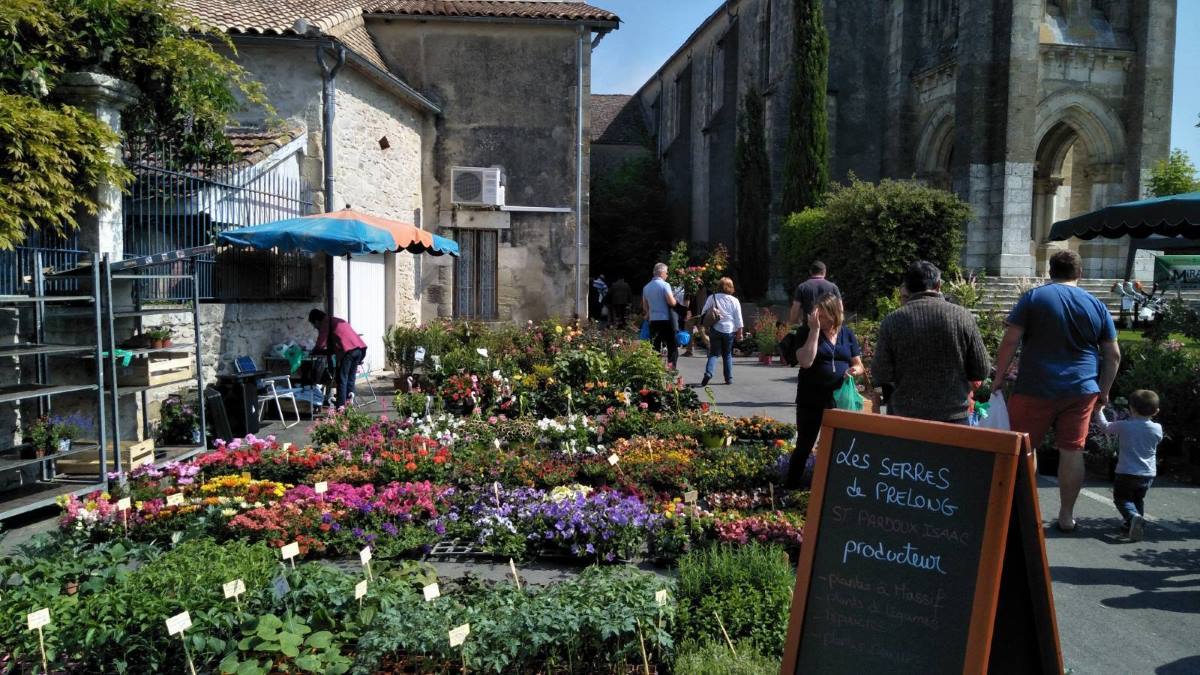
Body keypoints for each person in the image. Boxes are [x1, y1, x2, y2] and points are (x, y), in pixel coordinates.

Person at [993, 250, 1121, 533]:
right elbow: (1112, 355)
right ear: (1080, 273)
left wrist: (998, 378)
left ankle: (1026, 511)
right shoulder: (1096, 305)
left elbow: (1010, 341)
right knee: (1072, 449)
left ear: (1050, 272)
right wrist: (1104, 391)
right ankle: (1066, 516)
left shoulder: (1034, 298)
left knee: (1026, 447)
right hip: (1081, 387)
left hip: (1035, 385)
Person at [871, 261, 990, 423]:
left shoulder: (892, 321)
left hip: (906, 416)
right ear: (938, 285)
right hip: (953, 416)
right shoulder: (963, 317)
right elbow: (982, 370)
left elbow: (880, 373)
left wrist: (882, 403)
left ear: (907, 287)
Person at [788, 292, 864, 488]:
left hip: (839, 399)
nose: (820, 319)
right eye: (817, 315)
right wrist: (814, 331)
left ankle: (831, 486)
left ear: (834, 314)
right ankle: (790, 485)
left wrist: (854, 370)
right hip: (811, 398)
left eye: (823, 316)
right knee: (805, 444)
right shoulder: (806, 332)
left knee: (839, 446)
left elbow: (859, 364)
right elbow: (806, 361)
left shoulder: (846, 334)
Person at [1093, 390, 1162, 542]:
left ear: (1131, 408)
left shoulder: (1125, 426)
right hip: (1148, 474)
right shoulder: (1157, 428)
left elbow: (1105, 427)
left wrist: (1098, 411)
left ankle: (1133, 518)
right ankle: (1134, 524)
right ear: (1156, 411)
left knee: (1121, 499)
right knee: (1138, 499)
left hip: (1126, 472)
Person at [308, 308, 368, 408]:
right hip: (359, 349)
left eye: (314, 325)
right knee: (350, 378)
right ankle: (349, 403)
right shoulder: (335, 320)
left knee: (342, 378)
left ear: (316, 321)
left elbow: (321, 342)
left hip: (348, 351)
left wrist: (314, 351)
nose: (315, 328)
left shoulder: (325, 322)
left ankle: (341, 406)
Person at [699, 276, 744, 386]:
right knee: (727, 354)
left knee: (714, 354)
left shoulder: (712, 297)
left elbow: (703, 312)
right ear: (731, 287)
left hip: (716, 328)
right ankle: (728, 378)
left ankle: (708, 373)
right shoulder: (735, 300)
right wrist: (740, 332)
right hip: (729, 330)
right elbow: (738, 318)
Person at [642, 262, 679, 369]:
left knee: (655, 346)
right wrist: (675, 300)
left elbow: (645, 307)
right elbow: (671, 302)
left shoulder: (646, 287)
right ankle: (671, 368)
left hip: (653, 320)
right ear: (662, 273)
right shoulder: (665, 285)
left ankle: (655, 368)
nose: (667, 275)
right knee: (672, 345)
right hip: (666, 320)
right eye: (667, 273)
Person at [788, 260, 841, 325]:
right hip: (828, 327)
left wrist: (792, 323)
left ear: (810, 272)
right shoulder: (833, 287)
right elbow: (840, 307)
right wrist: (837, 325)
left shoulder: (802, 287)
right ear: (824, 272)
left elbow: (795, 309)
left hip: (809, 327)